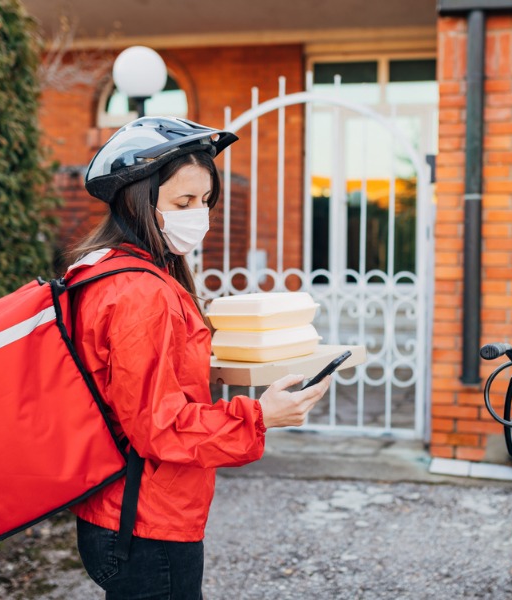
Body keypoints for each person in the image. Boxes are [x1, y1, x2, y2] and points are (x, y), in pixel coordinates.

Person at [67, 116, 330, 600]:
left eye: (205, 201)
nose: (199, 214)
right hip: (146, 522)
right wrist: (259, 416)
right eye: (183, 202)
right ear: (140, 201)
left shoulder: (105, 271)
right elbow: (157, 427)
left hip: (123, 508)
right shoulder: (142, 292)